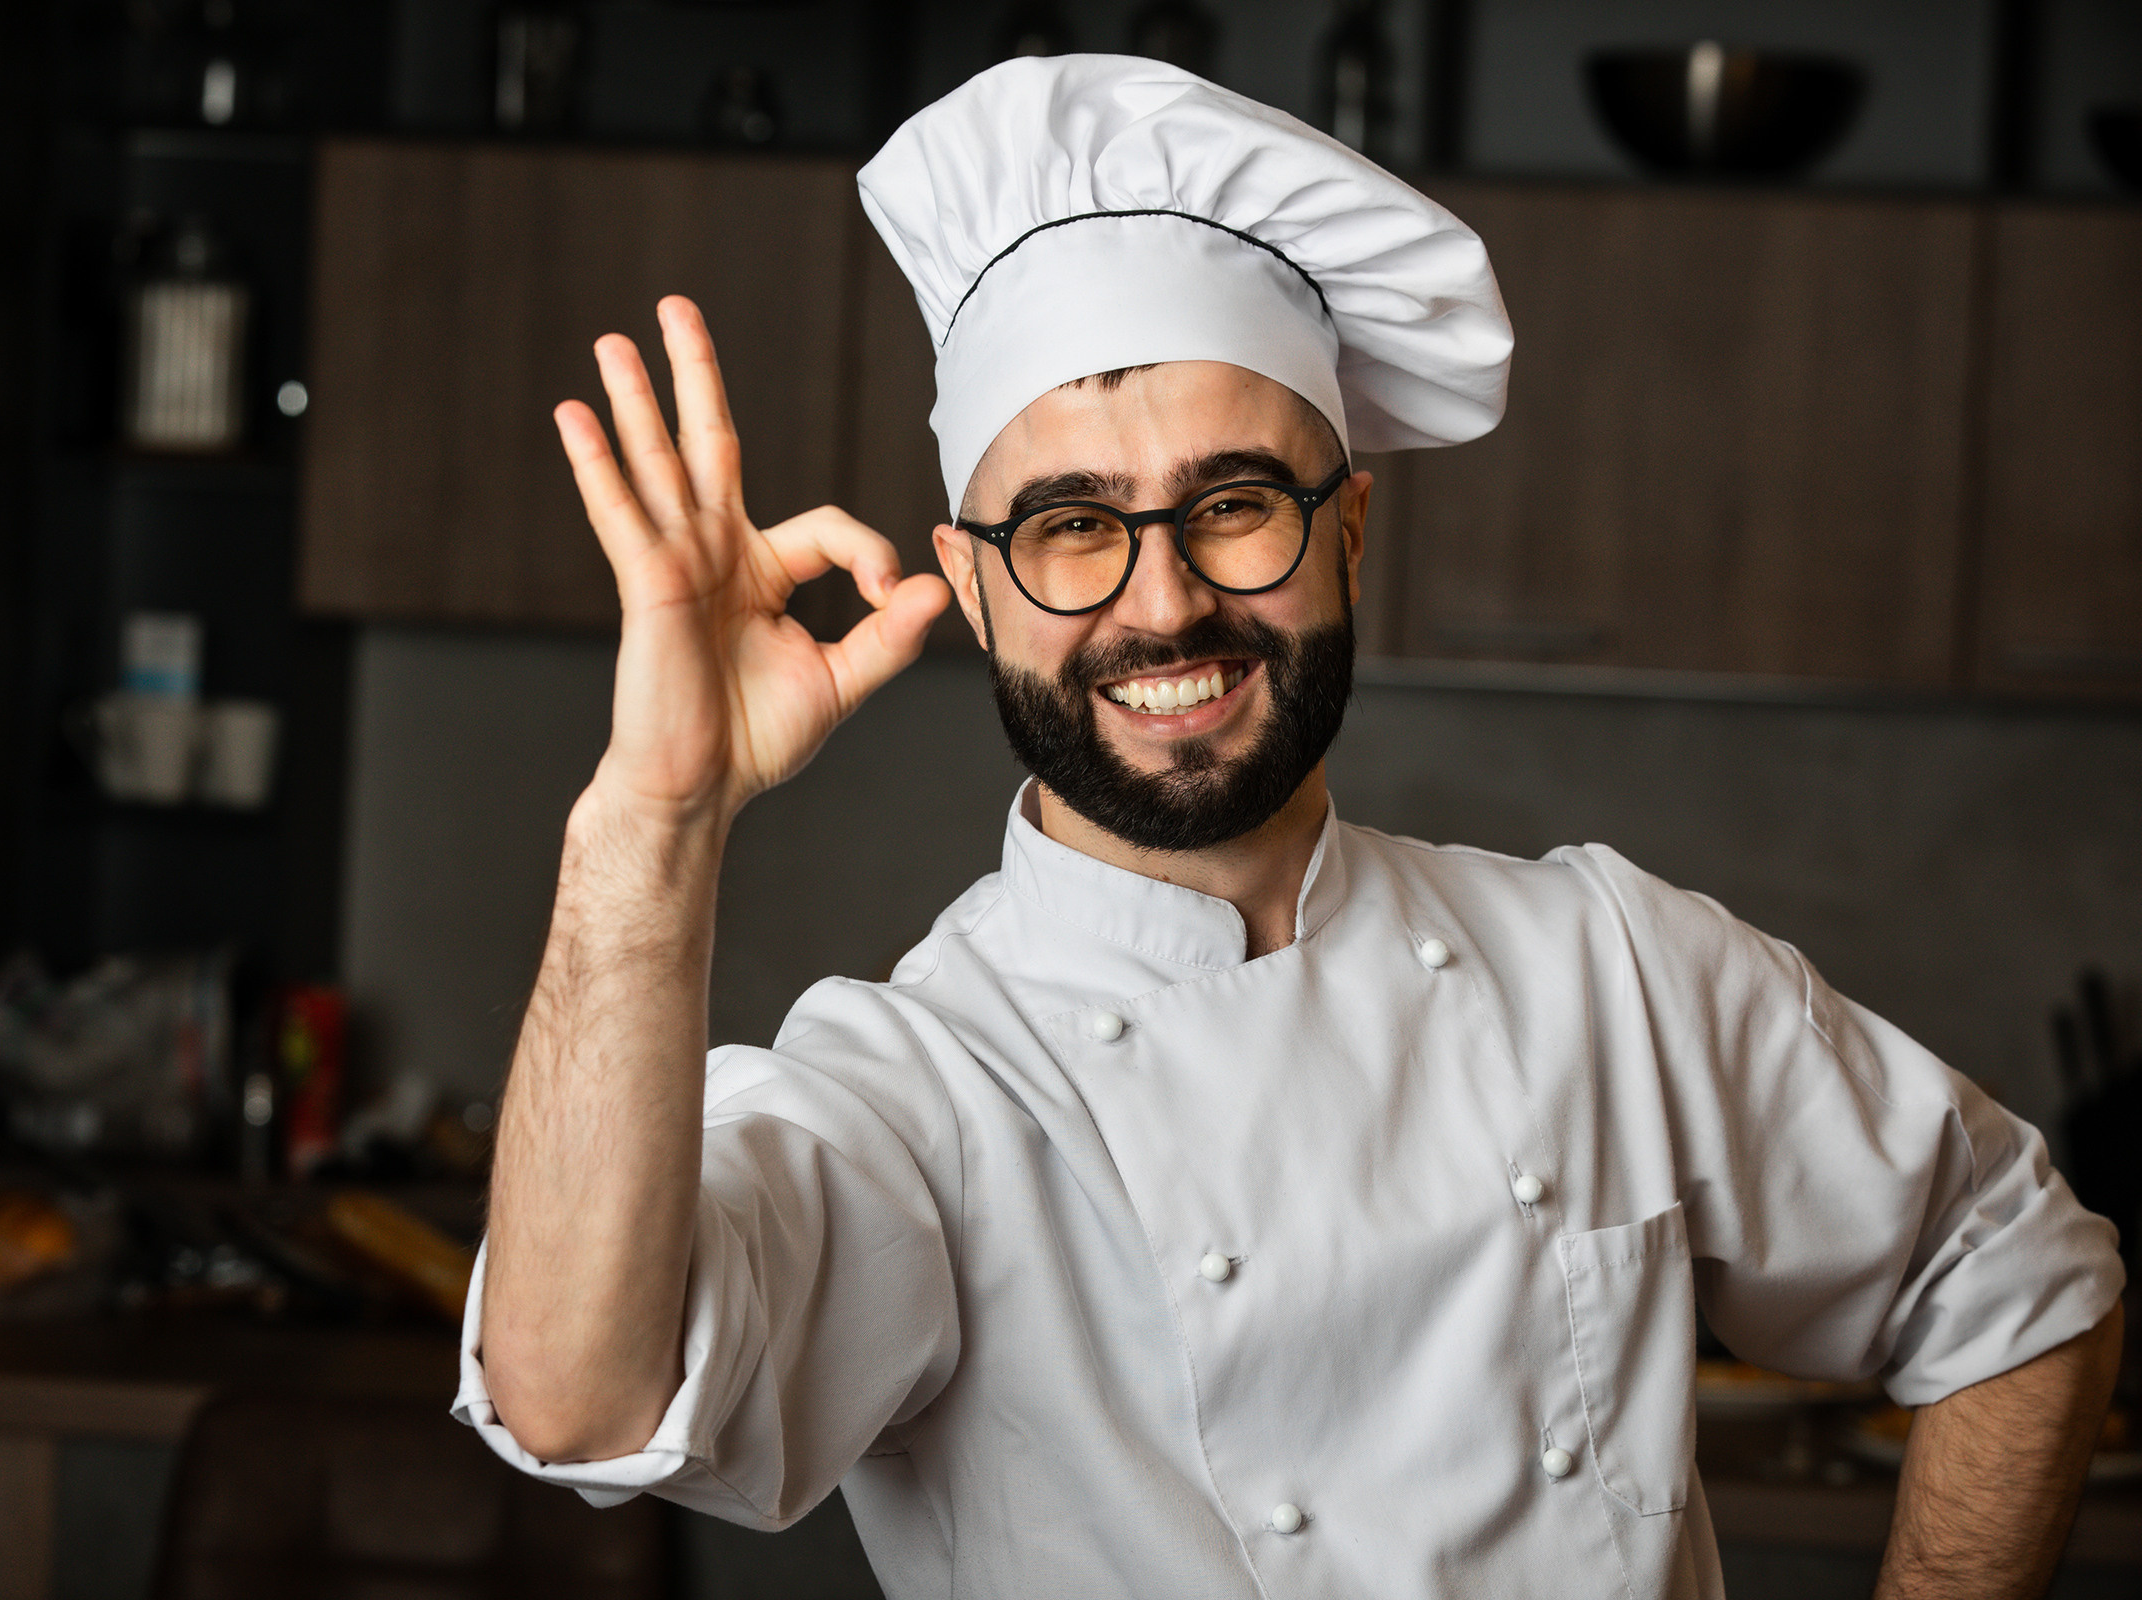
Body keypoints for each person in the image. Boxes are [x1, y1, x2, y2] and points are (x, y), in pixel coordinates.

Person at [456, 56, 2124, 1600]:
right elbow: (581, 1400)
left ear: (1350, 533)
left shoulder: (1610, 969)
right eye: (1069, 526)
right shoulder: (923, 1093)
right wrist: (652, 817)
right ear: (969, 587)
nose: (1163, 602)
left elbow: (2021, 1278)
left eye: (1234, 505)